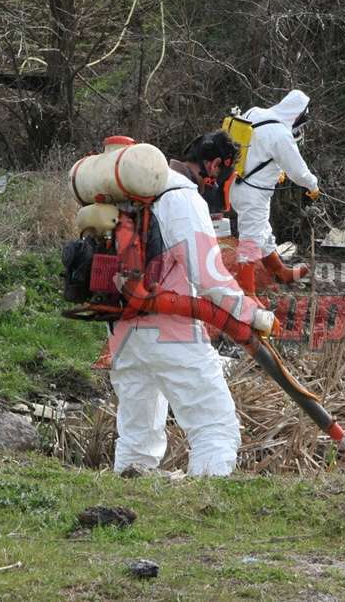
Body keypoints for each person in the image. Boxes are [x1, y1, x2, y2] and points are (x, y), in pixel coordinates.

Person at [108, 133, 270, 477]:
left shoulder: (136, 192)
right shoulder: (182, 197)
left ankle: (128, 498)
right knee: (214, 426)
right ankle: (205, 509)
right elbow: (208, 276)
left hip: (123, 332)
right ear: (214, 166)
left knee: (137, 437)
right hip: (171, 331)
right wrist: (252, 313)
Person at [229, 89, 320, 295]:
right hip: (253, 193)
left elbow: (253, 148)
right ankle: (247, 292)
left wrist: (274, 170)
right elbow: (299, 172)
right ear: (297, 115)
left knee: (262, 232)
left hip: (237, 184)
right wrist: (313, 187)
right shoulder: (280, 134)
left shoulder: (255, 113)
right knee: (251, 239)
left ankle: (281, 272)